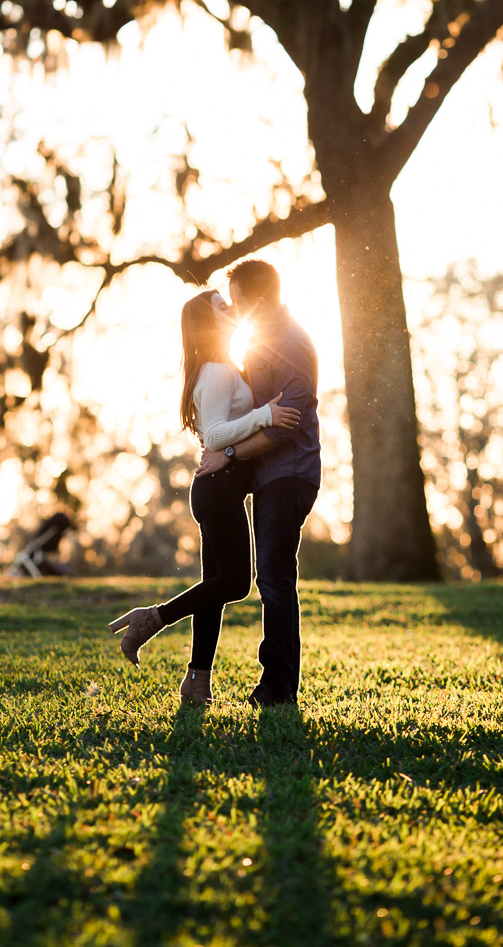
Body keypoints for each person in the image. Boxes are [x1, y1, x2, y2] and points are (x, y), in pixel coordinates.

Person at [108, 288, 300, 704]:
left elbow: (219, 432)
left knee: (215, 587)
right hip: (217, 491)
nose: (233, 309)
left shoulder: (222, 367)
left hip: (220, 489)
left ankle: (197, 681)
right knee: (235, 583)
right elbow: (214, 434)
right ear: (209, 323)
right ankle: (151, 619)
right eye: (222, 307)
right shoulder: (215, 370)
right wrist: (266, 414)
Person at [196, 259, 320, 708]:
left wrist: (226, 453)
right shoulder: (259, 341)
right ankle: (277, 683)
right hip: (268, 478)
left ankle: (278, 686)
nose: (232, 308)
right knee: (271, 577)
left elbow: (283, 427)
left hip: (290, 475)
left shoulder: (292, 343)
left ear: (259, 300)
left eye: (237, 301)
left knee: (273, 577)